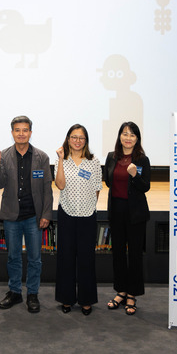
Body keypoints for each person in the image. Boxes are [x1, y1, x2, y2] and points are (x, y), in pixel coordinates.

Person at [0, 115, 53, 313]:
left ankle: (33, 294)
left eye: (25, 130)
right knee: (13, 257)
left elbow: (47, 188)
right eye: (17, 130)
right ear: (12, 133)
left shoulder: (42, 157)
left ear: (30, 132)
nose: (21, 133)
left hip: (33, 216)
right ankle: (15, 292)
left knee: (35, 258)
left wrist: (46, 214)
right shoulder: (4, 155)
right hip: (11, 216)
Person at [54, 124, 102, 315]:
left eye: (81, 138)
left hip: (88, 215)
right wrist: (59, 160)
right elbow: (60, 184)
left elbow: (97, 187)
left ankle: (86, 299)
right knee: (66, 258)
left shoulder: (94, 161)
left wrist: (87, 206)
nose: (77, 141)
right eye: (73, 137)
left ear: (86, 141)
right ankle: (66, 299)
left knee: (86, 259)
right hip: (66, 214)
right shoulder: (62, 160)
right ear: (67, 139)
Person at [104, 121, 151, 315]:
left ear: (137, 139)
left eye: (132, 135)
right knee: (118, 254)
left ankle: (132, 294)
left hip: (135, 213)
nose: (128, 138)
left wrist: (135, 176)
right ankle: (121, 291)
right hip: (116, 210)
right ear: (119, 136)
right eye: (125, 134)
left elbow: (145, 187)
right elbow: (108, 181)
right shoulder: (111, 157)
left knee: (134, 255)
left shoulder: (142, 160)